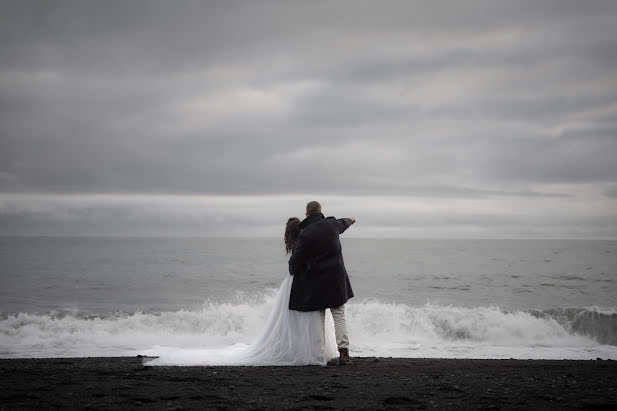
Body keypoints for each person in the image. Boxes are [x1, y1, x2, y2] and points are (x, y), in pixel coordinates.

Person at [143, 217, 339, 366]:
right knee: (306, 319)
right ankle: (310, 351)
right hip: (304, 282)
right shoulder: (307, 239)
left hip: (295, 283)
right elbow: (297, 264)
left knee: (293, 320)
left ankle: (303, 350)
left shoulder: (298, 241)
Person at [288, 201, 356, 365]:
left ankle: (319, 353)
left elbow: (296, 259)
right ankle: (344, 353)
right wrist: (352, 219)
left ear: (307, 214)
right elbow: (344, 222)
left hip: (317, 282)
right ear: (320, 211)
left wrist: (292, 269)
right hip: (336, 280)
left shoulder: (306, 234)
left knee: (320, 316)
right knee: (339, 315)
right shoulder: (332, 224)